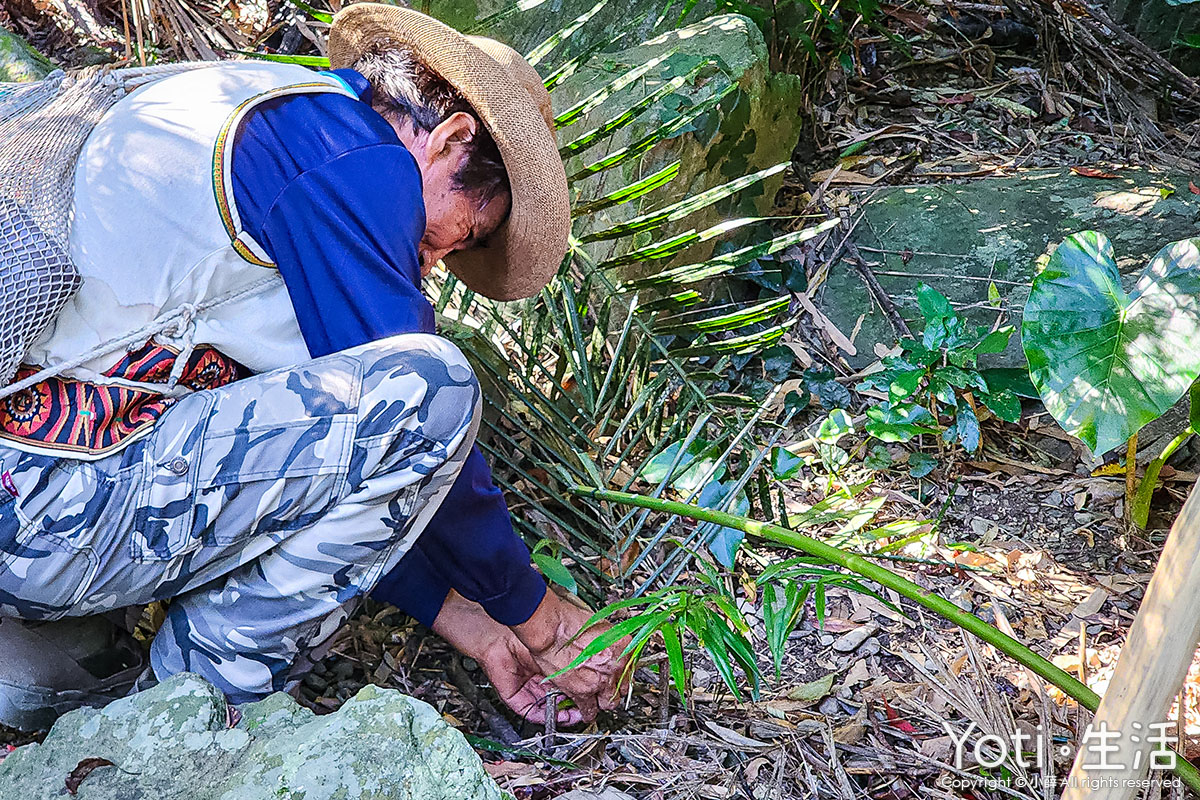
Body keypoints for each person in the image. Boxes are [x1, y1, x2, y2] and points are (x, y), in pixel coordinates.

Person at [0, 4, 625, 729]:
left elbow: (322, 468)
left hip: (36, 506)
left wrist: (477, 626)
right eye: (468, 229)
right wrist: (542, 623)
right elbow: (412, 423)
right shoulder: (348, 154)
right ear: (453, 137)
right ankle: (182, 717)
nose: (440, 258)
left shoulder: (271, 115)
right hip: (43, 511)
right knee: (433, 388)